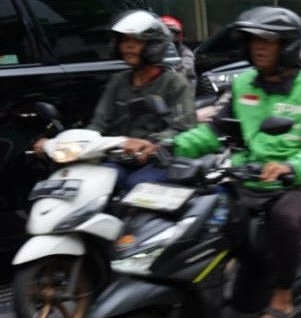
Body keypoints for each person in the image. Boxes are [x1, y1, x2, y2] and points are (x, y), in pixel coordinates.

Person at [173, 6, 301, 318]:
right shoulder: (242, 84)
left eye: (268, 41)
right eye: (253, 41)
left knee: (283, 218)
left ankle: (282, 297)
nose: (259, 47)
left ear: (287, 46)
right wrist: (168, 148)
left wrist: (292, 167)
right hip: (246, 178)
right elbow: (213, 131)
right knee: (204, 219)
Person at [39, 10, 195, 190]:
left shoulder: (174, 83)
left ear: (154, 45)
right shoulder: (118, 81)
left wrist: (154, 144)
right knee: (90, 183)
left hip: (159, 160)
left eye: (136, 41)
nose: (128, 46)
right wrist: (74, 143)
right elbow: (99, 124)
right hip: (117, 158)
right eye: (125, 41)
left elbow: (184, 128)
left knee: (136, 185)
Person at [160, 15, 196, 83]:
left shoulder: (185, 53)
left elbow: (186, 70)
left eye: (173, 33)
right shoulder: (153, 50)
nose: (170, 36)